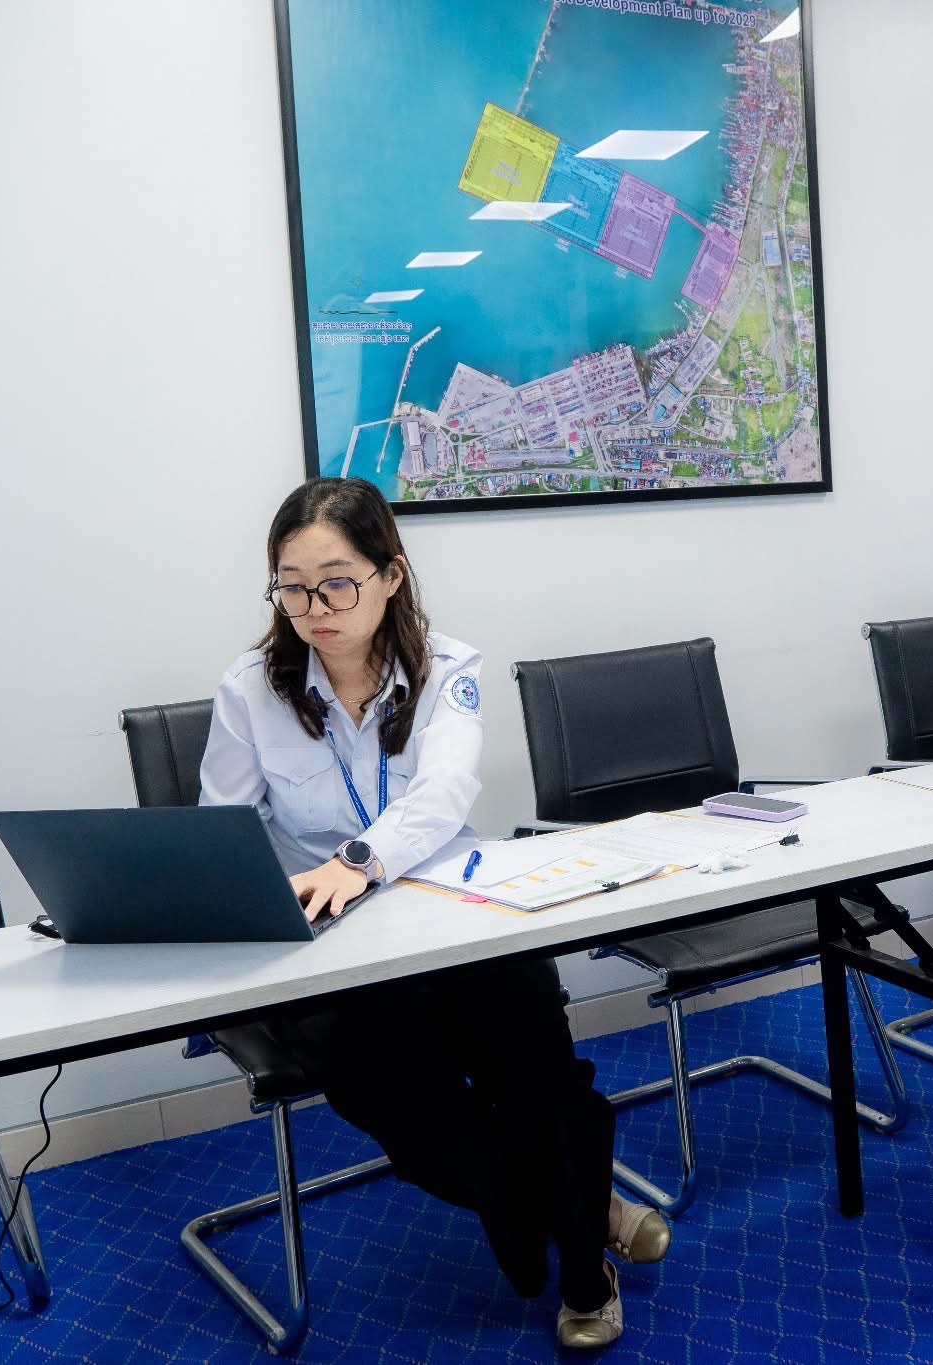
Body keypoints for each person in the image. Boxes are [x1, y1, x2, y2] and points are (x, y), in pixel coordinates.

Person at [198, 477, 666, 1350]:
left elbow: (444, 791)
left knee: (540, 1071)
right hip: (334, 950)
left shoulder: (447, 669)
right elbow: (224, 825)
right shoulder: (251, 690)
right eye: (292, 587)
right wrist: (267, 896)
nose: (313, 609)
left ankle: (584, 1275)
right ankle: (582, 1209)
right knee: (415, 1116)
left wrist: (358, 862)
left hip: (454, 913)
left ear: (391, 575)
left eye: (337, 583)